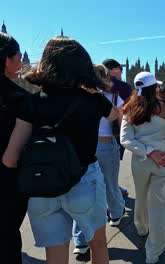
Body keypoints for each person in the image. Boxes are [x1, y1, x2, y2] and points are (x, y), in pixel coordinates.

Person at [2, 36, 120, 263]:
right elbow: (116, 115)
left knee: (54, 258)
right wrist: (95, 94)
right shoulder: (93, 100)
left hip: (43, 188)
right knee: (98, 249)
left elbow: (9, 159)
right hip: (84, 181)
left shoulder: (31, 102)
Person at [72, 65, 126, 255]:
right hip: (106, 144)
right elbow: (120, 121)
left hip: (84, 147)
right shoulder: (111, 98)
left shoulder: (78, 97)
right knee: (111, 184)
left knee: (81, 192)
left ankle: (80, 241)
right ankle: (116, 214)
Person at [120, 72, 165, 264]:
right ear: (154, 88)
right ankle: (154, 250)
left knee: (141, 195)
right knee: (160, 203)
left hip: (140, 159)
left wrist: (147, 151)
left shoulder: (129, 108)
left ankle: (141, 227)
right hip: (163, 160)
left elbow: (125, 140)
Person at [0, 32, 30, 264]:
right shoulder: (19, 98)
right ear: (6, 60)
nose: (21, 62)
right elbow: (12, 158)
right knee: (8, 238)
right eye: (18, 56)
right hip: (7, 185)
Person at [103, 58, 131, 198]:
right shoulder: (124, 87)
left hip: (92, 134)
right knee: (112, 167)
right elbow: (129, 110)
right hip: (115, 133)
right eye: (120, 69)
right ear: (114, 70)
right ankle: (113, 195)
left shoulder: (92, 84)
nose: (121, 72)